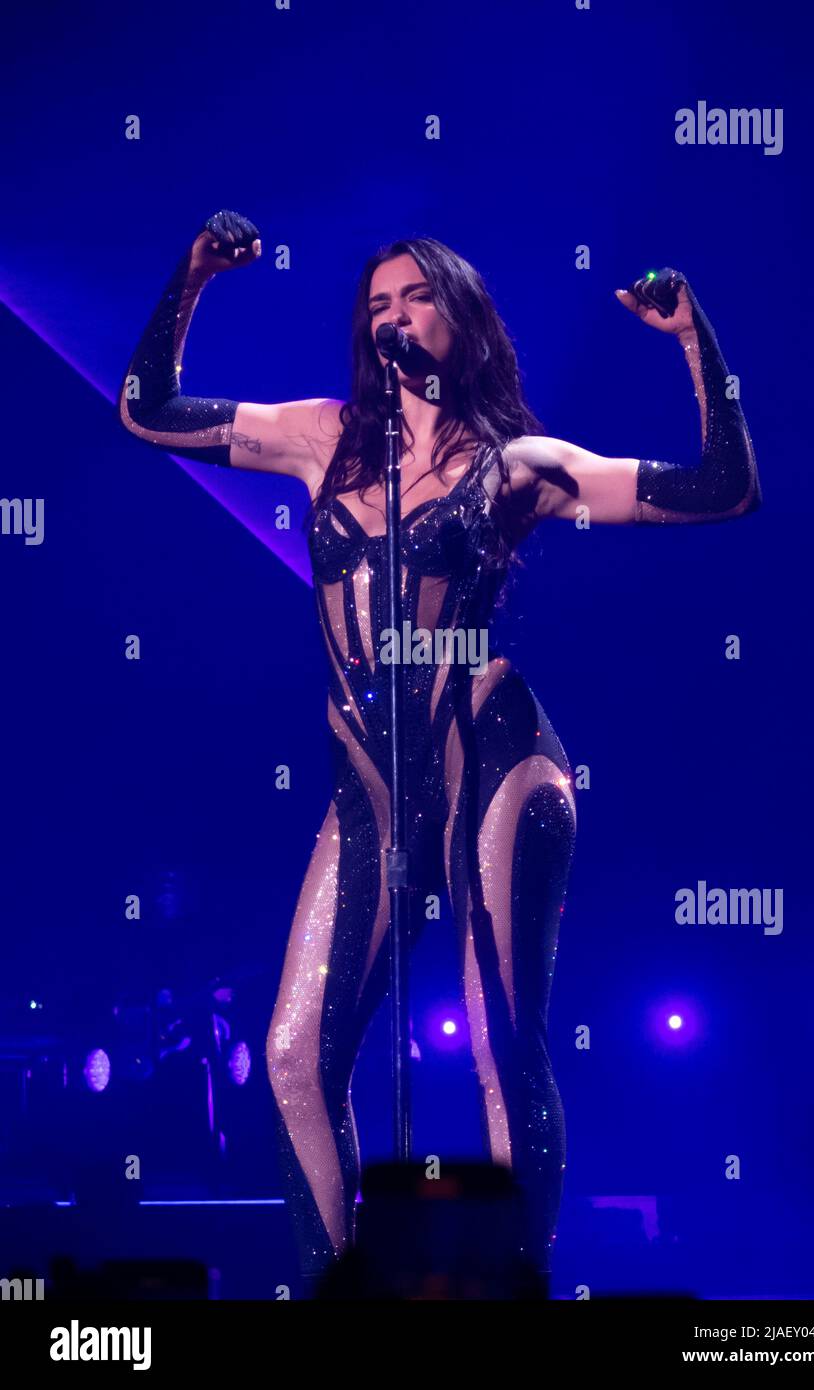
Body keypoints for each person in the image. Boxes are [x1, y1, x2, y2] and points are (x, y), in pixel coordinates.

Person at [118, 209, 761, 1292]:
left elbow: (721, 486)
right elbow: (148, 410)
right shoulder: (320, 436)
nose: (394, 316)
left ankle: (514, 1289)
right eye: (377, 303)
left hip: (491, 750)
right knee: (291, 1058)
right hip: (368, 779)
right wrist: (191, 278)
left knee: (501, 1041)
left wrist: (695, 340)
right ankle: (344, 1289)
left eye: (416, 297)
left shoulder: (519, 465)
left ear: (459, 319)